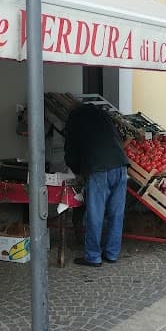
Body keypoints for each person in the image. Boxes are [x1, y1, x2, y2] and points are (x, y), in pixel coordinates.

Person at [64, 102, 128, 267]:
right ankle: (112, 253)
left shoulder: (74, 120)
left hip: (99, 168)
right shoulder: (103, 115)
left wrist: (77, 169)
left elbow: (71, 150)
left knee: (95, 213)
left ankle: (93, 256)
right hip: (120, 165)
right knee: (116, 213)